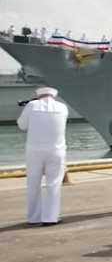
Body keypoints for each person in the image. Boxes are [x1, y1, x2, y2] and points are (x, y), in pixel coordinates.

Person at [17, 87, 68, 225]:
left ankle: (34, 218)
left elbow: (22, 125)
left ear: (38, 95)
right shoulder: (62, 107)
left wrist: (29, 107)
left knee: (33, 184)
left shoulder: (32, 106)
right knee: (54, 184)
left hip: (35, 151)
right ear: (54, 96)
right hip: (56, 151)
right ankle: (51, 217)